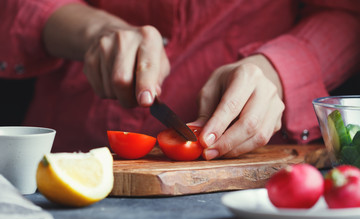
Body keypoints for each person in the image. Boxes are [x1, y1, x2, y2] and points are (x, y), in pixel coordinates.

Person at [0, 0, 359, 160]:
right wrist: (94, 30)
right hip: (65, 153)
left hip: (254, 166)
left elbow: (346, 12)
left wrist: (277, 69)